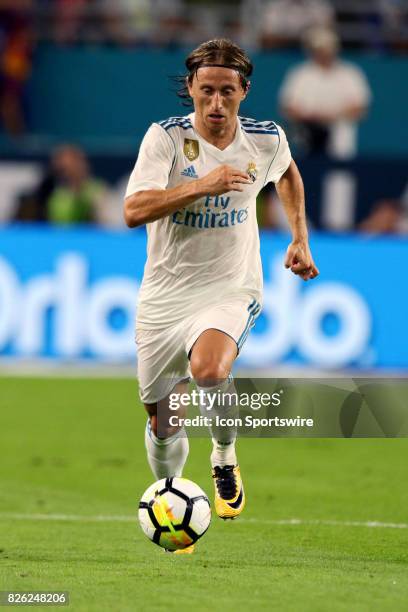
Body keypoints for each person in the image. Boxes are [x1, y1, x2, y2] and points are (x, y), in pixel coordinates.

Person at [124, 38, 319, 552]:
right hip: (165, 294)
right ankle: (170, 497)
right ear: (190, 87)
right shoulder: (165, 139)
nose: (215, 104)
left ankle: (224, 454)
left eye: (226, 92)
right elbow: (134, 209)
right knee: (163, 422)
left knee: (210, 369)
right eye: (205, 91)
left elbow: (289, 173)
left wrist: (299, 236)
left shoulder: (265, 140)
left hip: (230, 285)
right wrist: (199, 186)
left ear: (243, 91)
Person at [279, 27, 371, 159]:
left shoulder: (350, 73)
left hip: (341, 132)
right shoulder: (300, 73)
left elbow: (360, 107)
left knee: (340, 168)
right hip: (306, 132)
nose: (324, 53)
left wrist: (332, 117)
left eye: (327, 48)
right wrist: (313, 118)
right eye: (320, 49)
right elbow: (289, 107)